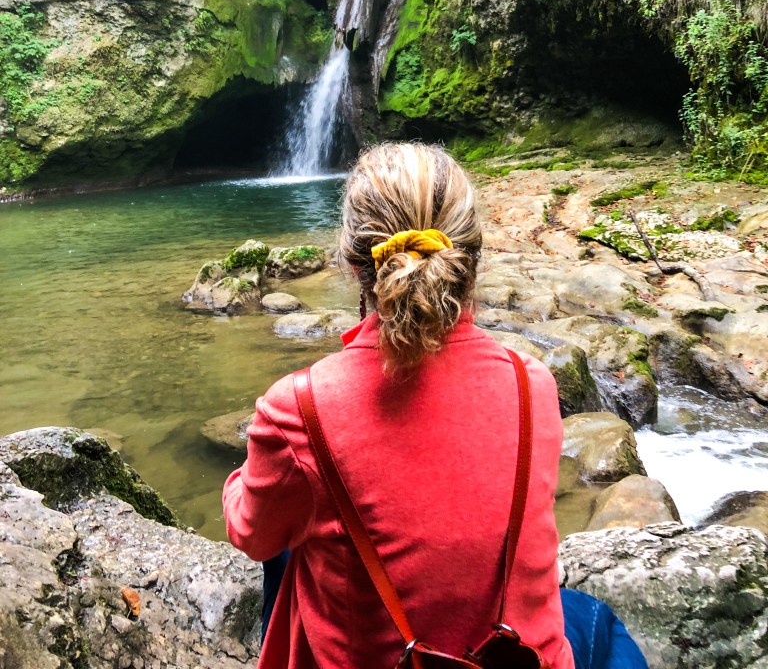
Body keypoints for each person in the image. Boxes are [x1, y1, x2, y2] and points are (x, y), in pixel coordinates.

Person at [223, 142, 648, 669]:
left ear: (356, 267)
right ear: (471, 261)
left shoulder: (299, 408)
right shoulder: (531, 382)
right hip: (510, 657)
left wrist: (248, 473)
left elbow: (250, 534)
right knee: (593, 617)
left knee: (291, 539)